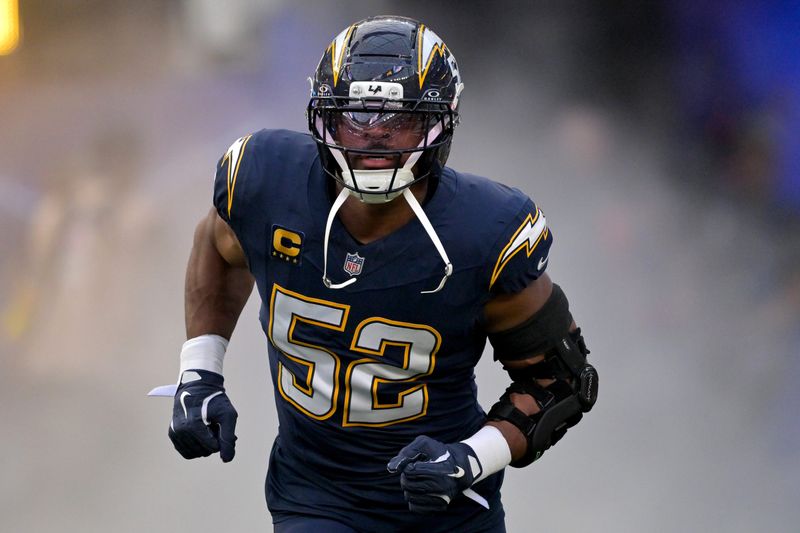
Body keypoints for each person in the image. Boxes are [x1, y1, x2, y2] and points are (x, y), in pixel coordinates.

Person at [166, 15, 597, 533]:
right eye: (356, 117)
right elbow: (216, 245)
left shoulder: (484, 232)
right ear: (323, 117)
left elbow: (561, 382)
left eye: (399, 119)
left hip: (449, 511)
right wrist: (200, 371)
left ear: (440, 122)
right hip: (316, 497)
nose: (374, 137)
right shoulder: (265, 183)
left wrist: (471, 458)